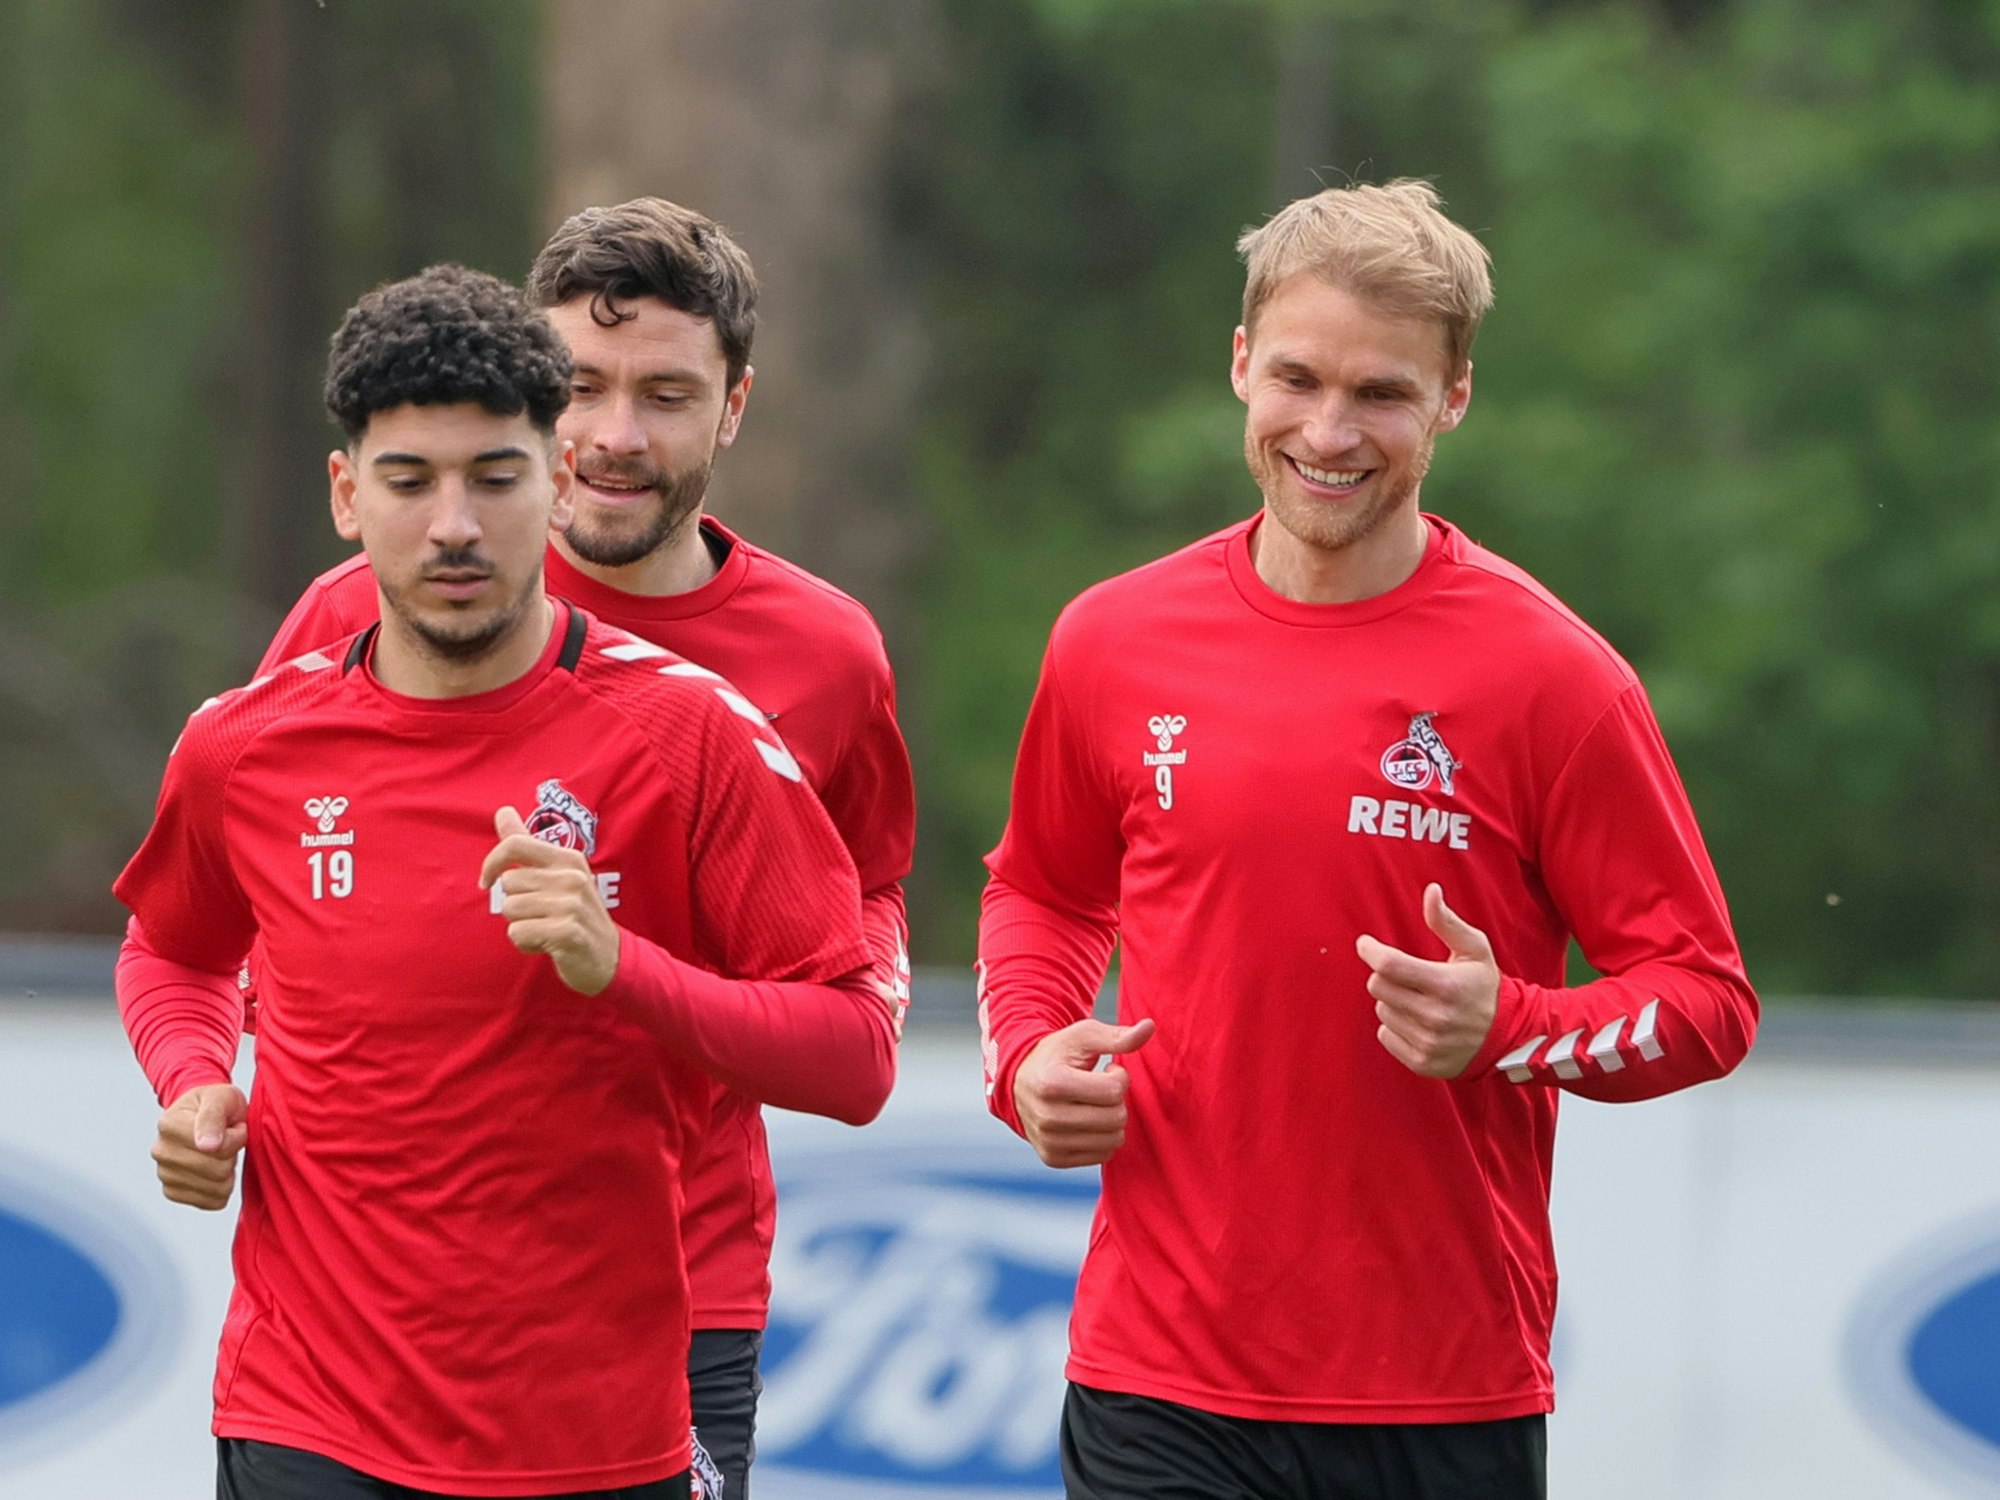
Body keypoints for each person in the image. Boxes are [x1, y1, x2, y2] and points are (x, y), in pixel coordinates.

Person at [976, 179, 1759, 1500]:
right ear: (1239, 367)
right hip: (1158, 1383)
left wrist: (1509, 1024)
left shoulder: (1553, 680)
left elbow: (1705, 1003)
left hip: (1437, 1395)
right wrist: (1029, 1055)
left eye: (1383, 394)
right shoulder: (1111, 640)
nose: (1329, 432)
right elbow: (1043, 893)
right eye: (1296, 378)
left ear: (1454, 396)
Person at [140, 199, 916, 1498]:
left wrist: (636, 967)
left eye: (664, 393)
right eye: (589, 391)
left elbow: (861, 922)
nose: (617, 436)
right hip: (340, 1355)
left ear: (732, 407)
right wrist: (211, 1079)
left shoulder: (807, 665)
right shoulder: (348, 620)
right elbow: (246, 888)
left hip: (666, 1291)